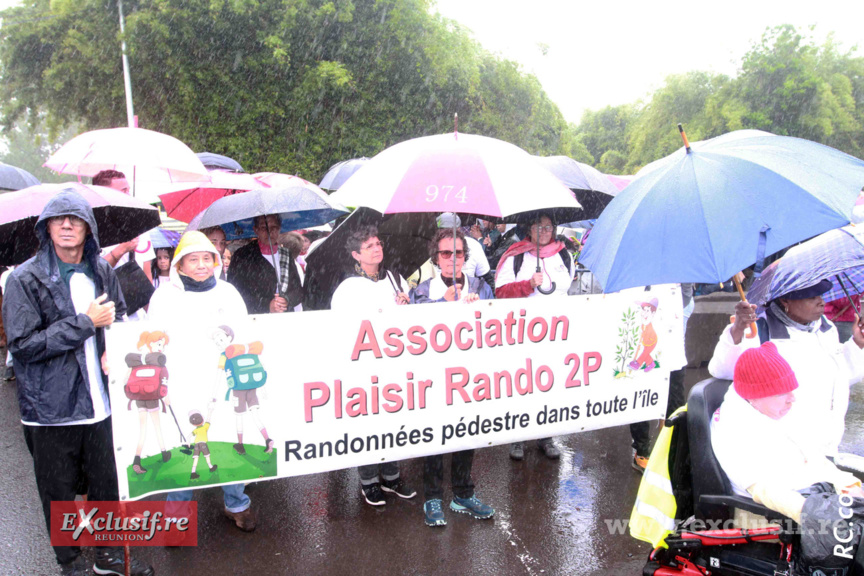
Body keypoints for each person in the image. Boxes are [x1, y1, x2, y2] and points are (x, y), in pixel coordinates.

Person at [2, 188, 154, 575]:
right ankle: (69, 562)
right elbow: (22, 345)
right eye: (58, 219)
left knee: (104, 486)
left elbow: (118, 316)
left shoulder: (101, 270)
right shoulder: (25, 278)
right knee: (59, 495)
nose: (66, 225)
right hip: (50, 411)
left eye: (75, 219)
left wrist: (111, 346)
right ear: (46, 227)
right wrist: (85, 323)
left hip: (100, 405)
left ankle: (107, 555)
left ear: (89, 228)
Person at [148, 231, 257, 531]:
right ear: (179, 265)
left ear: (215, 261)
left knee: (230, 443)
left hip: (222, 382)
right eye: (192, 260)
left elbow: (243, 333)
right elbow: (153, 340)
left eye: (206, 258)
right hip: (184, 385)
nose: (200, 265)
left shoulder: (228, 293)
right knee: (184, 445)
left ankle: (236, 503)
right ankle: (177, 516)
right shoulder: (165, 296)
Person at [712, 342, 863, 529]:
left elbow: (814, 457)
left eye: (791, 390)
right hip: (769, 518)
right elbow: (766, 491)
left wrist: (849, 486)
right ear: (754, 396)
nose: (792, 399)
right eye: (782, 394)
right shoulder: (733, 429)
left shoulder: (768, 408)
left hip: (811, 494)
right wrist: (821, 518)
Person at [708, 278, 864, 458]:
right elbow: (722, 370)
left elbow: (840, 377)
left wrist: (857, 344)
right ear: (785, 301)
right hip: (781, 450)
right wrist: (737, 329)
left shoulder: (826, 329)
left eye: (821, 295)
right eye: (811, 297)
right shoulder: (760, 331)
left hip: (824, 447)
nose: (821, 302)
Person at [410, 229, 495, 526]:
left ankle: (462, 493)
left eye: (458, 253)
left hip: (470, 378)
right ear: (436, 257)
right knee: (434, 437)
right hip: (433, 379)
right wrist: (441, 306)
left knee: (466, 433)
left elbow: (497, 325)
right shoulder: (422, 290)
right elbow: (408, 329)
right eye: (446, 253)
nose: (452, 259)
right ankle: (432, 497)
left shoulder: (481, 286)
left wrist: (480, 309)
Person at [329, 225, 416, 505]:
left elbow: (409, 324)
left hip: (394, 363)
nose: (377, 249)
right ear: (356, 254)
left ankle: (392, 476)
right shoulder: (348, 287)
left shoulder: (394, 278)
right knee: (368, 424)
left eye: (378, 243)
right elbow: (342, 329)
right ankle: (369, 481)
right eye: (369, 246)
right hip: (365, 367)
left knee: (394, 420)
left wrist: (405, 305)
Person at [495, 213, 575, 460]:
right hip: (522, 334)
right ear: (529, 228)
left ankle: (545, 436)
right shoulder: (517, 256)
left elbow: (568, 291)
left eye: (548, 226)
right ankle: (517, 437)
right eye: (538, 227)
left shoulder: (565, 255)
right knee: (523, 384)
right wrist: (527, 285)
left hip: (555, 335)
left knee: (548, 384)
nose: (543, 231)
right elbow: (500, 292)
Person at [228, 214, 303, 314]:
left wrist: (286, 300)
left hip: (285, 318)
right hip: (255, 318)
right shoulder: (242, 256)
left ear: (279, 229)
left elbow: (297, 290)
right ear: (256, 230)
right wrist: (267, 305)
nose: (269, 232)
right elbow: (235, 292)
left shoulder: (286, 255)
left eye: (274, 227)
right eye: (264, 227)